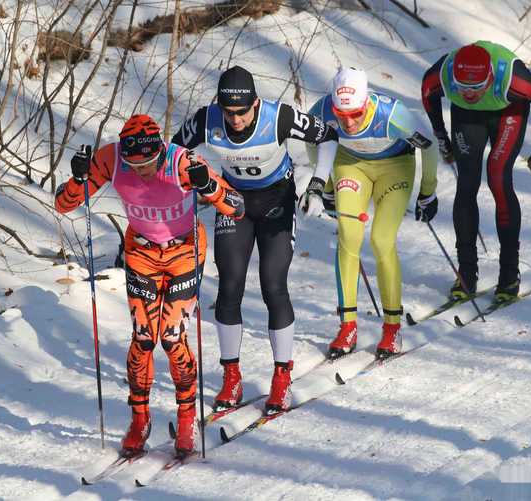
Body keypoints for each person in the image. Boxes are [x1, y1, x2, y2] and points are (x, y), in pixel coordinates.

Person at [55, 114, 244, 457]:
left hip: (184, 250)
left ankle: (186, 418)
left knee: (172, 338)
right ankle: (139, 419)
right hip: (141, 253)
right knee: (143, 338)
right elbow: (64, 204)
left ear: (159, 150)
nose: (141, 170)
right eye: (133, 164)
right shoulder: (111, 159)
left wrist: (208, 187)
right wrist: (78, 177)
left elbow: (237, 207)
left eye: (147, 163)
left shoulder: (182, 162)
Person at [171, 66, 339, 414]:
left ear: (255, 103)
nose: (234, 120)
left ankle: (282, 377)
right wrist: (193, 173)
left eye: (241, 112)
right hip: (233, 204)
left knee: (272, 285)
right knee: (228, 287)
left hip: (277, 202)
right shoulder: (206, 120)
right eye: (228, 112)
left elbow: (328, 135)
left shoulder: (278, 117)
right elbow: (172, 151)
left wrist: (319, 184)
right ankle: (231, 377)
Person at [300, 67, 438, 360]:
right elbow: (313, 142)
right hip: (351, 165)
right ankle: (347, 325)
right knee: (349, 236)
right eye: (341, 115)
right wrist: (324, 185)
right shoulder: (323, 109)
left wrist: (428, 190)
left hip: (395, 166)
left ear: (366, 103)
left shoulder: (392, 114)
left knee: (381, 240)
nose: (348, 122)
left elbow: (429, 146)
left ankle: (392, 326)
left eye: (356, 114)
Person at [421, 41, 531, 302]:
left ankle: (509, 274)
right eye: (462, 87)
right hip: (467, 118)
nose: (469, 93)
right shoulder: (443, 75)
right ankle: (466, 273)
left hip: (508, 111)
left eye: (475, 87)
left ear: (489, 78)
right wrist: (441, 136)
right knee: (466, 184)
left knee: (497, 177)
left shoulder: (514, 79)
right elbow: (427, 92)